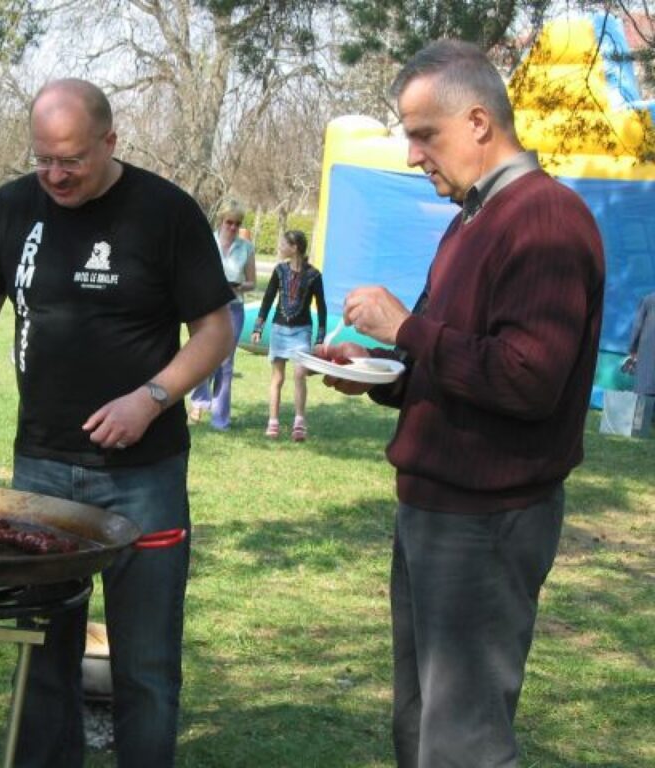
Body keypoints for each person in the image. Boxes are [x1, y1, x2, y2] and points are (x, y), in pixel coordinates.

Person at [0, 78, 234, 768]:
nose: (55, 175)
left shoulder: (166, 213)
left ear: (110, 142)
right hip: (44, 470)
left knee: (146, 664)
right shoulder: (12, 207)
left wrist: (151, 397)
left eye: (72, 160)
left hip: (144, 478)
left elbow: (215, 331)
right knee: (42, 653)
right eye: (44, 159)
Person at [318, 41, 604, 767]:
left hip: (488, 519)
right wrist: (380, 373)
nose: (413, 155)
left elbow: (527, 379)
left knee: (464, 742)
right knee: (420, 725)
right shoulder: (470, 220)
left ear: (478, 122)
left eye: (424, 134)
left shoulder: (545, 218)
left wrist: (405, 330)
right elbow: (451, 361)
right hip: (436, 508)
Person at [250, 230, 326, 441]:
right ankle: (273, 422)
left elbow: (322, 307)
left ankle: (299, 423)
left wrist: (320, 339)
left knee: (300, 374)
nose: (280, 247)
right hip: (279, 330)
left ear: (294, 248)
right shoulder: (279, 271)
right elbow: (267, 299)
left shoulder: (314, 275)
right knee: (278, 377)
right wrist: (258, 328)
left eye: (283, 244)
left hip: (302, 331)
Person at [187, 202, 256, 430]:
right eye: (229, 222)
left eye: (237, 224)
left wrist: (238, 286)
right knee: (204, 355)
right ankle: (198, 403)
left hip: (234, 308)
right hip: (208, 306)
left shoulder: (246, 248)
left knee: (226, 363)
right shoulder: (208, 241)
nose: (233, 227)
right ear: (221, 221)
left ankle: (220, 418)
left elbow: (252, 282)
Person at [625, 291, 655, 400]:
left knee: (644, 390)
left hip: (648, 350)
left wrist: (632, 348)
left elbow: (637, 326)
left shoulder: (648, 299)